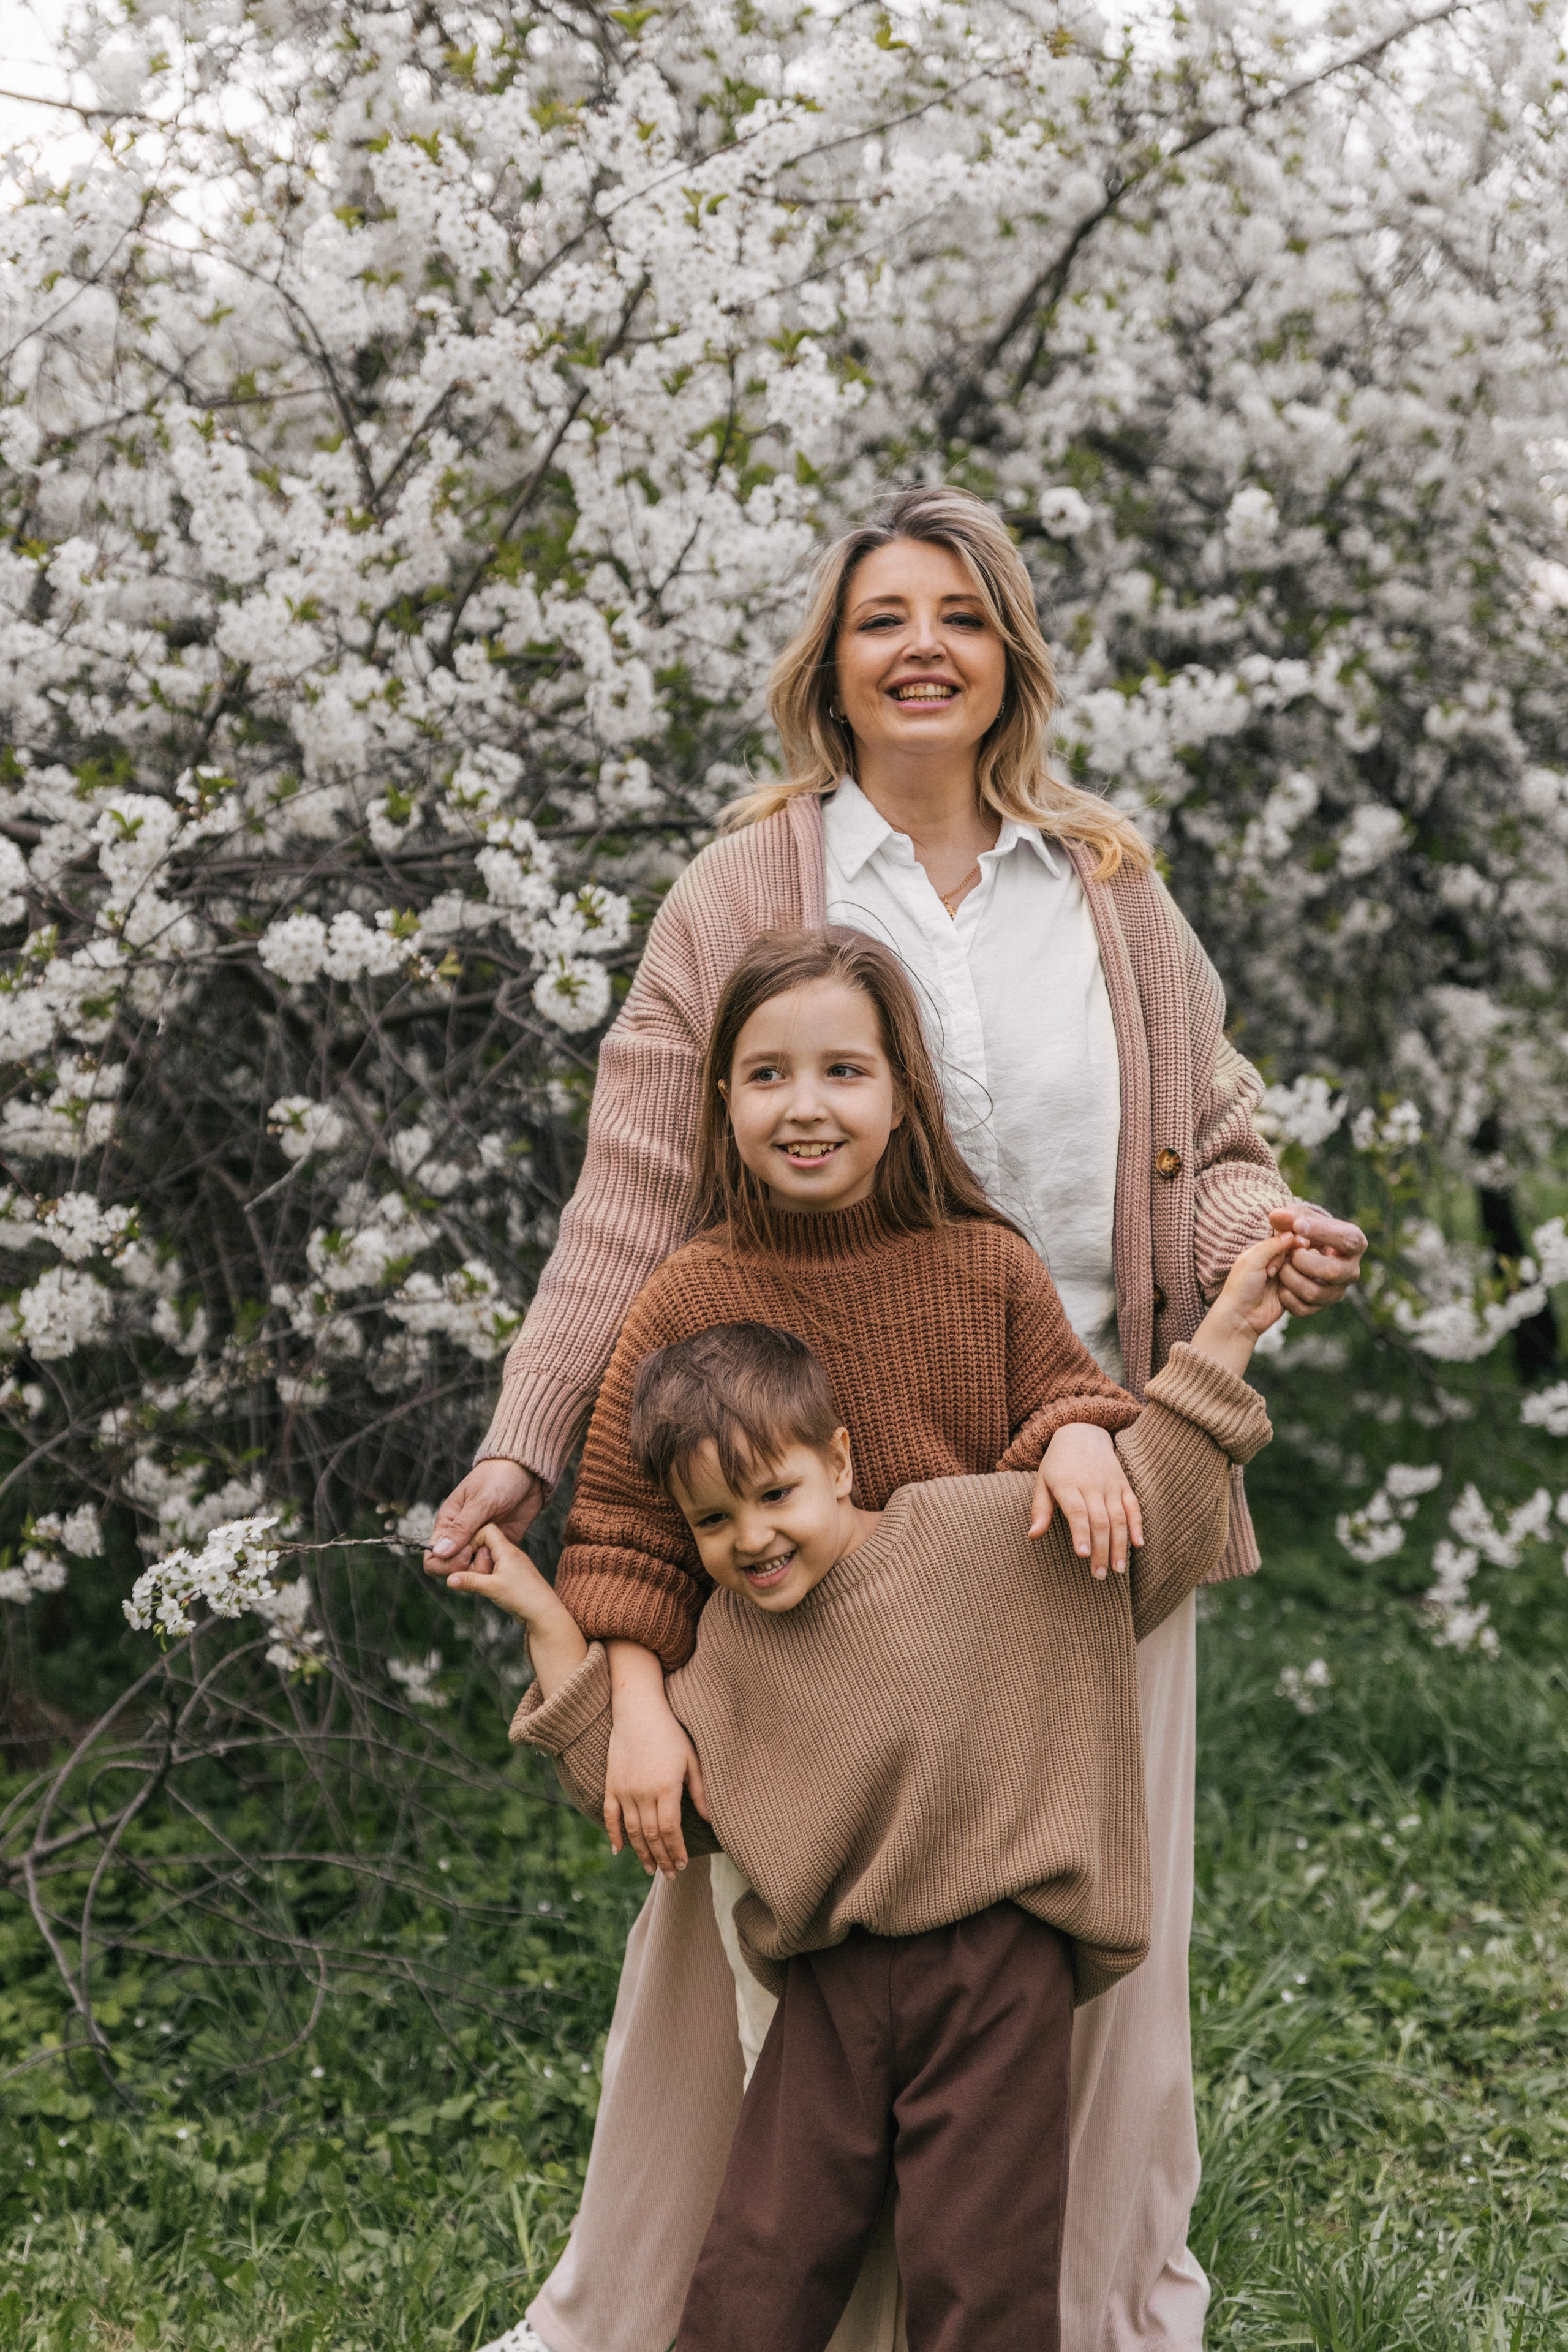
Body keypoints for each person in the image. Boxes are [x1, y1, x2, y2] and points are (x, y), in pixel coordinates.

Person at [427, 484, 1366, 2352]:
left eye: (960, 615)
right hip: (803, 1505)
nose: (922, 647)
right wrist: (527, 1441)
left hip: (1072, 1486)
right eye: (882, 619)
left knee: (1080, 1930)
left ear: (1010, 654)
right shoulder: (747, 889)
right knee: (761, 1947)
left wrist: (1263, 1240)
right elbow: (632, 1196)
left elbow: (1212, 1148)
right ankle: (689, 2309)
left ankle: (1083, 2308)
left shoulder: (1110, 890)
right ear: (832, 665)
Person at [447, 1216, 1283, 2349]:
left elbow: (1157, 1514)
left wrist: (1228, 1331)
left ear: (839, 1464)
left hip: (999, 1967)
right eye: (712, 1520)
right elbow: (658, 1806)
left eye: (774, 1493)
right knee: (762, 2253)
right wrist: (544, 1618)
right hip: (833, 1983)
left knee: (982, 2260)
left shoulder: (975, 1536)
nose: (751, 1538)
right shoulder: (726, 1653)